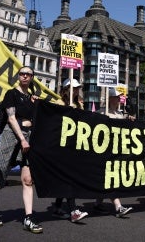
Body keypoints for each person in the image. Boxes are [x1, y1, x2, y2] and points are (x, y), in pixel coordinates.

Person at [0, 66, 43, 233]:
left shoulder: (31, 98)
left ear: (32, 78)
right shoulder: (11, 94)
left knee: (27, 179)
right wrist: (22, 139)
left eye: (28, 74)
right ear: (18, 76)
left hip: (29, 136)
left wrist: (36, 103)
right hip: (13, 135)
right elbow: (11, 118)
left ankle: (29, 218)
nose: (24, 76)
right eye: (22, 73)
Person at [53, 78, 89, 222]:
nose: (75, 91)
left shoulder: (80, 105)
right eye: (72, 88)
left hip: (75, 145)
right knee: (69, 177)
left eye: (77, 88)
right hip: (62, 146)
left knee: (65, 177)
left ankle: (57, 206)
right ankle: (73, 210)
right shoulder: (58, 103)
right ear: (66, 89)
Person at [95, 87, 133, 217]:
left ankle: (97, 203)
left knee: (108, 178)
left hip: (116, 151)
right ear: (110, 98)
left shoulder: (120, 114)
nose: (119, 99)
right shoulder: (101, 112)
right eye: (116, 97)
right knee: (110, 177)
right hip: (104, 151)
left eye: (119, 97)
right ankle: (118, 206)